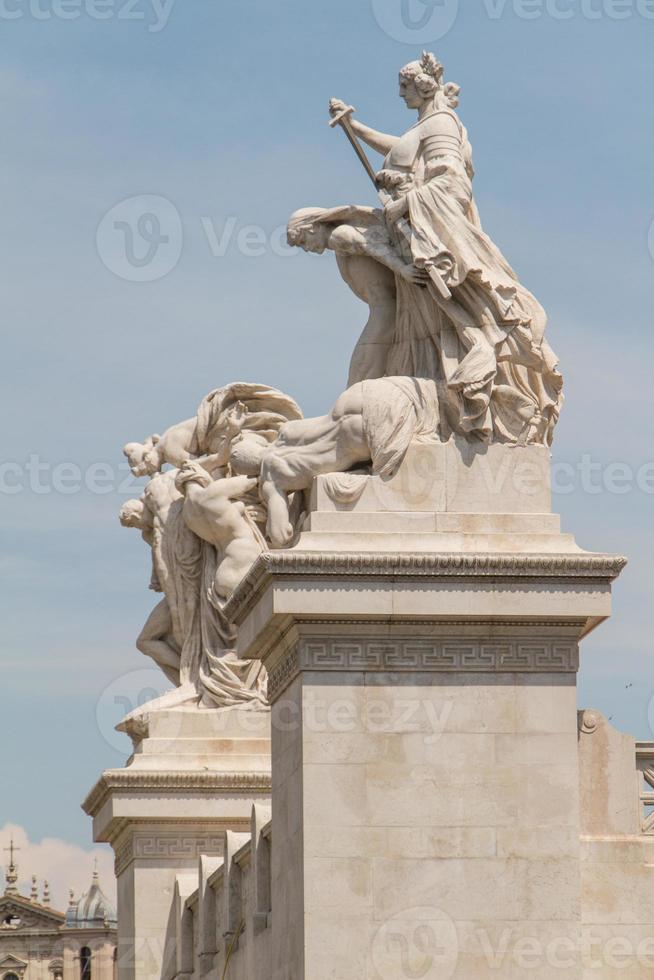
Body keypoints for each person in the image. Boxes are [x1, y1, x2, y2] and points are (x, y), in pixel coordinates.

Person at [320, 53, 563, 446]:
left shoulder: (443, 126)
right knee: (419, 333)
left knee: (452, 328)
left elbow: (451, 182)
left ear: (423, 86)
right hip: (415, 238)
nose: (400, 94)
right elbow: (401, 148)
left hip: (437, 244)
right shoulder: (428, 123)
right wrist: (354, 125)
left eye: (404, 87)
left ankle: (457, 410)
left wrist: (404, 203)